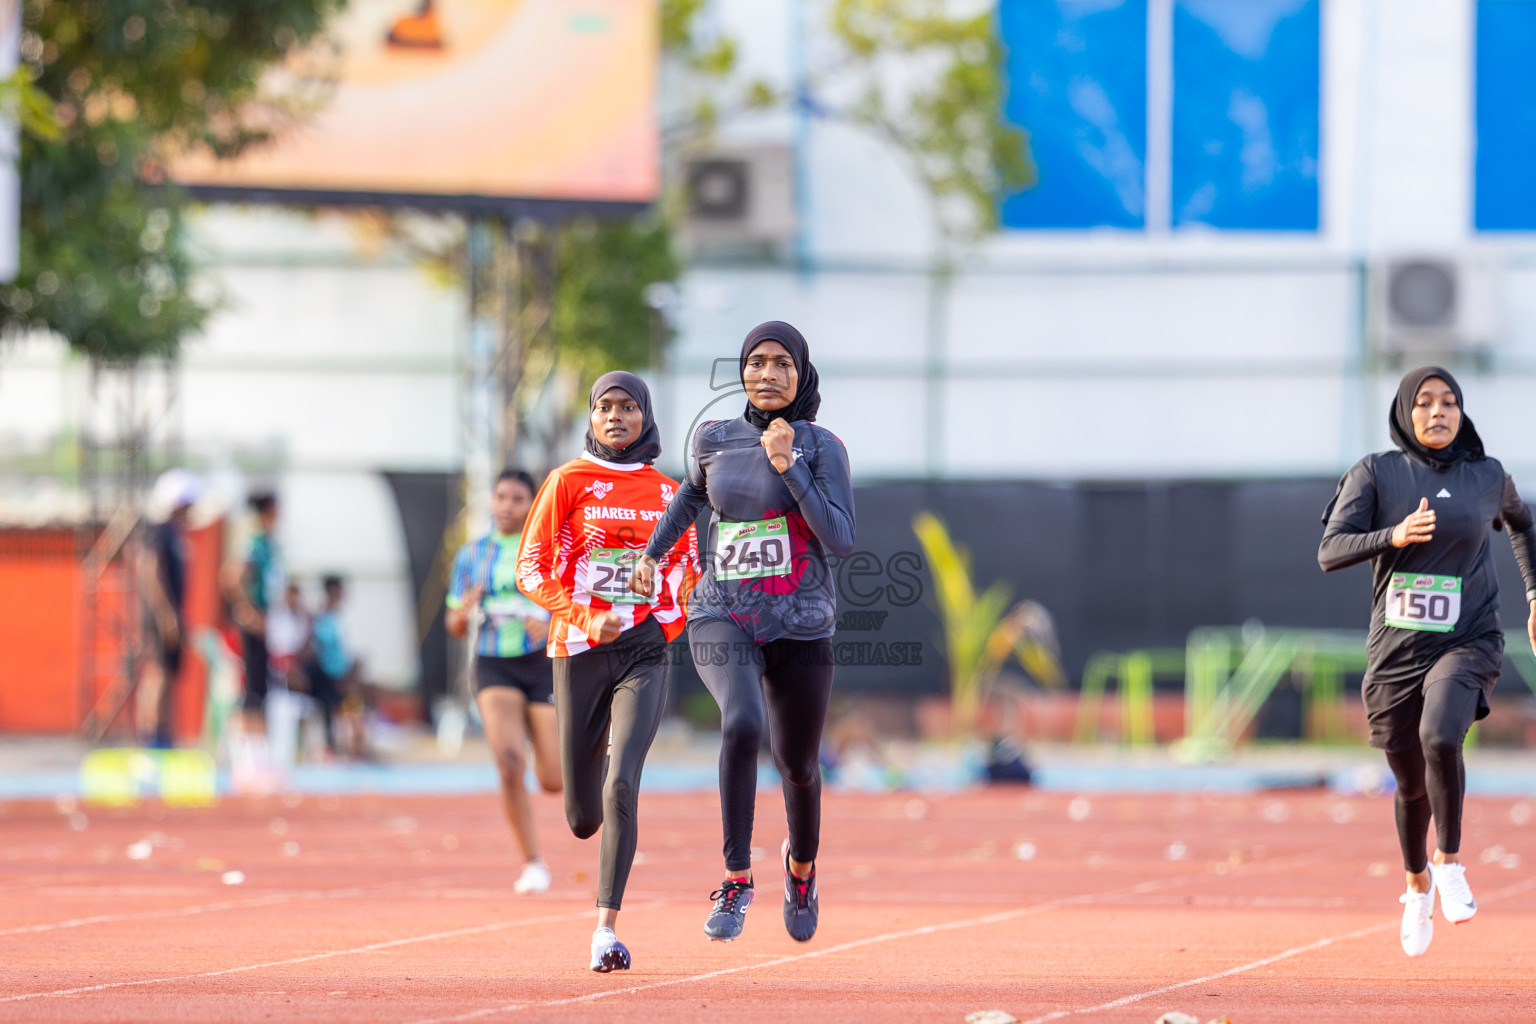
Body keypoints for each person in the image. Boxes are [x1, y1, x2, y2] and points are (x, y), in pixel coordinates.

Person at [631, 321, 855, 945]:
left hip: (802, 621)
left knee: (799, 766)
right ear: (742, 371)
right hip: (721, 611)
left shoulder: (822, 446)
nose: (767, 373)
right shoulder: (714, 437)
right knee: (742, 721)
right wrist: (652, 554)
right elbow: (687, 499)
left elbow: (840, 537)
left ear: (801, 373)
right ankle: (735, 878)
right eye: (756, 362)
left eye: (782, 363)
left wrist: (790, 467)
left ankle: (801, 870)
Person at [1320, 366, 1536, 957]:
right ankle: (1415, 886)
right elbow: (1330, 551)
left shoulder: (1486, 477)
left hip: (1468, 638)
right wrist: (1392, 536)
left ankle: (1449, 862)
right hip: (1395, 649)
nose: (1437, 412)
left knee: (1442, 736)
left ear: (1462, 413)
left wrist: (1535, 594)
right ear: (1404, 413)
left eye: (1449, 402)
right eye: (1424, 403)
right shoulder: (1376, 473)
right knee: (1410, 782)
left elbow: (1523, 525)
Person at [517, 371, 697, 973]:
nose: (615, 416)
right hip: (579, 650)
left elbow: (690, 573)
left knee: (623, 783)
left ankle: (605, 930)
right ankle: (587, 808)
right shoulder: (567, 481)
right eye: (604, 407)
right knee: (581, 818)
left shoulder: (671, 493)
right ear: (591, 419)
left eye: (627, 407)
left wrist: (663, 622)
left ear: (646, 417)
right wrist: (584, 618)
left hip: (644, 651)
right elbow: (531, 567)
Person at [446, 469, 561, 897]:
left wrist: (546, 618)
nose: (507, 506)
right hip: (494, 663)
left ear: (533, 504)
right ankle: (533, 861)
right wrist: (464, 611)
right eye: (501, 497)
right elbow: (454, 623)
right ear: (490, 502)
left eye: (517, 498)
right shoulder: (472, 555)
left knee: (553, 779)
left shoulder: (547, 549)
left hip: (541, 662)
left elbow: (571, 605)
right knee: (510, 763)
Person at [220, 491, 284, 776]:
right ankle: (248, 756)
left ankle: (258, 753)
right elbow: (231, 577)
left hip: (265, 619)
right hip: (253, 621)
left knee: (262, 686)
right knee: (252, 687)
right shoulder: (253, 542)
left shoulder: (267, 542)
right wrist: (247, 612)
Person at [140, 469, 201, 749]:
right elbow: (150, 571)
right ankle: (153, 736)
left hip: (172, 615)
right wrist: (165, 615)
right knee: (159, 672)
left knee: (169, 673)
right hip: (161, 615)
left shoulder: (176, 533)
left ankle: (164, 734)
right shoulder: (160, 530)